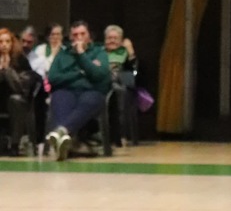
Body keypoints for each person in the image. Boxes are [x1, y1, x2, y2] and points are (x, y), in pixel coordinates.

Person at [45, 20, 113, 161]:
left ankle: (61, 132)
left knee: (89, 101)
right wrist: (80, 73)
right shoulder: (63, 54)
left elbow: (99, 75)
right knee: (59, 98)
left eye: (83, 34)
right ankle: (64, 141)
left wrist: (81, 54)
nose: (79, 37)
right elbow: (53, 78)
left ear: (89, 36)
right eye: (75, 35)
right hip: (66, 90)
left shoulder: (99, 52)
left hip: (92, 92)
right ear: (70, 37)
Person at [0, 28, 36, 155]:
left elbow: (20, 88)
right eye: (1, 42)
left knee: (16, 100)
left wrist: (7, 70)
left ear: (12, 43)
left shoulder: (21, 60)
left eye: (7, 41)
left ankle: (15, 144)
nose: (4, 45)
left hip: (15, 101)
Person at [103, 24, 139, 146]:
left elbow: (134, 72)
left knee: (119, 94)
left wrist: (130, 51)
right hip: (102, 83)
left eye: (115, 38)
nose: (112, 40)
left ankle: (120, 135)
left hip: (120, 85)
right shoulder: (99, 52)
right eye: (109, 38)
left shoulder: (125, 53)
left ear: (121, 40)